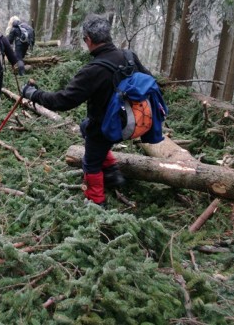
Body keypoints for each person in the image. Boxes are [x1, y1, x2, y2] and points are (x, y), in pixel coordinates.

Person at [21, 14, 164, 206]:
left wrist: (33, 94)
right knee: (85, 127)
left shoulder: (94, 70)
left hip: (108, 127)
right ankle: (112, 173)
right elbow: (149, 80)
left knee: (91, 162)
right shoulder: (129, 56)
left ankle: (96, 203)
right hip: (133, 120)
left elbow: (62, 101)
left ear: (88, 39)